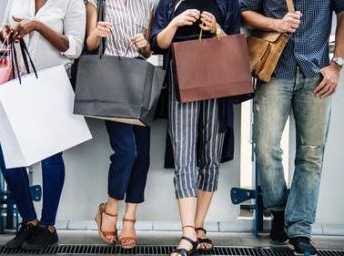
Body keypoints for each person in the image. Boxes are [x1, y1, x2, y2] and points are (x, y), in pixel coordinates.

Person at [240, 0, 343, 255]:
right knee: (265, 149)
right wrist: (277, 23)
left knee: (311, 154)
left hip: (317, 73)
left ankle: (299, 230)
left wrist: (337, 64)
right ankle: (279, 210)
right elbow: (245, 12)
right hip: (274, 70)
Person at [0, 0, 86, 250]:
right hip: (17, 84)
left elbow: (73, 47)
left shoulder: (72, 2)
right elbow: (3, 30)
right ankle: (29, 221)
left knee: (50, 157)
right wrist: (6, 33)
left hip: (52, 86)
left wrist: (37, 26)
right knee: (4, 152)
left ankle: (48, 226)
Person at [151, 0, 240, 255]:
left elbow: (234, 43)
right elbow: (157, 42)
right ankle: (188, 231)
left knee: (211, 156)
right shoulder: (169, 2)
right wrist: (176, 22)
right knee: (184, 154)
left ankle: (199, 224)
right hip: (182, 80)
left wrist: (216, 28)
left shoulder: (227, 2)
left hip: (219, 82)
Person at [84, 0, 154, 249]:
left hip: (139, 78)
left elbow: (147, 51)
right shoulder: (97, 1)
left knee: (143, 155)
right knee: (127, 151)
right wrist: (97, 34)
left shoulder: (147, 3)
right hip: (110, 79)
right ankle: (110, 208)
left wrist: (145, 45)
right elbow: (90, 45)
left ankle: (130, 219)